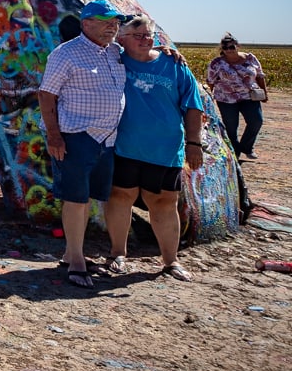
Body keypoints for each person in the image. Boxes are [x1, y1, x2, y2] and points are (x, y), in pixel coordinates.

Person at [104, 15, 202, 282]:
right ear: (121, 40)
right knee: (120, 197)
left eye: (150, 35)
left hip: (166, 149)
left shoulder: (174, 65)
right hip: (124, 147)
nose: (146, 40)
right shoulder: (113, 61)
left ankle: (171, 261)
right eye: (139, 36)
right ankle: (117, 254)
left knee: (164, 203)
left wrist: (194, 143)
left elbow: (193, 106)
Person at [37, 0, 127, 289]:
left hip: (107, 138)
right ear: (86, 23)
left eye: (115, 21)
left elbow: (143, 49)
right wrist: (53, 135)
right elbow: (47, 95)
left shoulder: (115, 53)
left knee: (88, 198)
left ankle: (69, 253)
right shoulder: (67, 54)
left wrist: (163, 52)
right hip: (75, 136)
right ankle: (77, 260)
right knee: (76, 199)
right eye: (105, 21)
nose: (112, 26)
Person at [207, 33, 269, 161]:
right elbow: (210, 81)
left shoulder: (250, 58)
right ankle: (235, 151)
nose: (229, 50)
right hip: (226, 98)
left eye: (231, 47)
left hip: (249, 96)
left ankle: (246, 147)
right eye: (225, 48)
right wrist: (209, 97)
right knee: (231, 126)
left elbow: (259, 76)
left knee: (256, 121)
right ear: (222, 49)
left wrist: (264, 92)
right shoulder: (217, 63)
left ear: (238, 46)